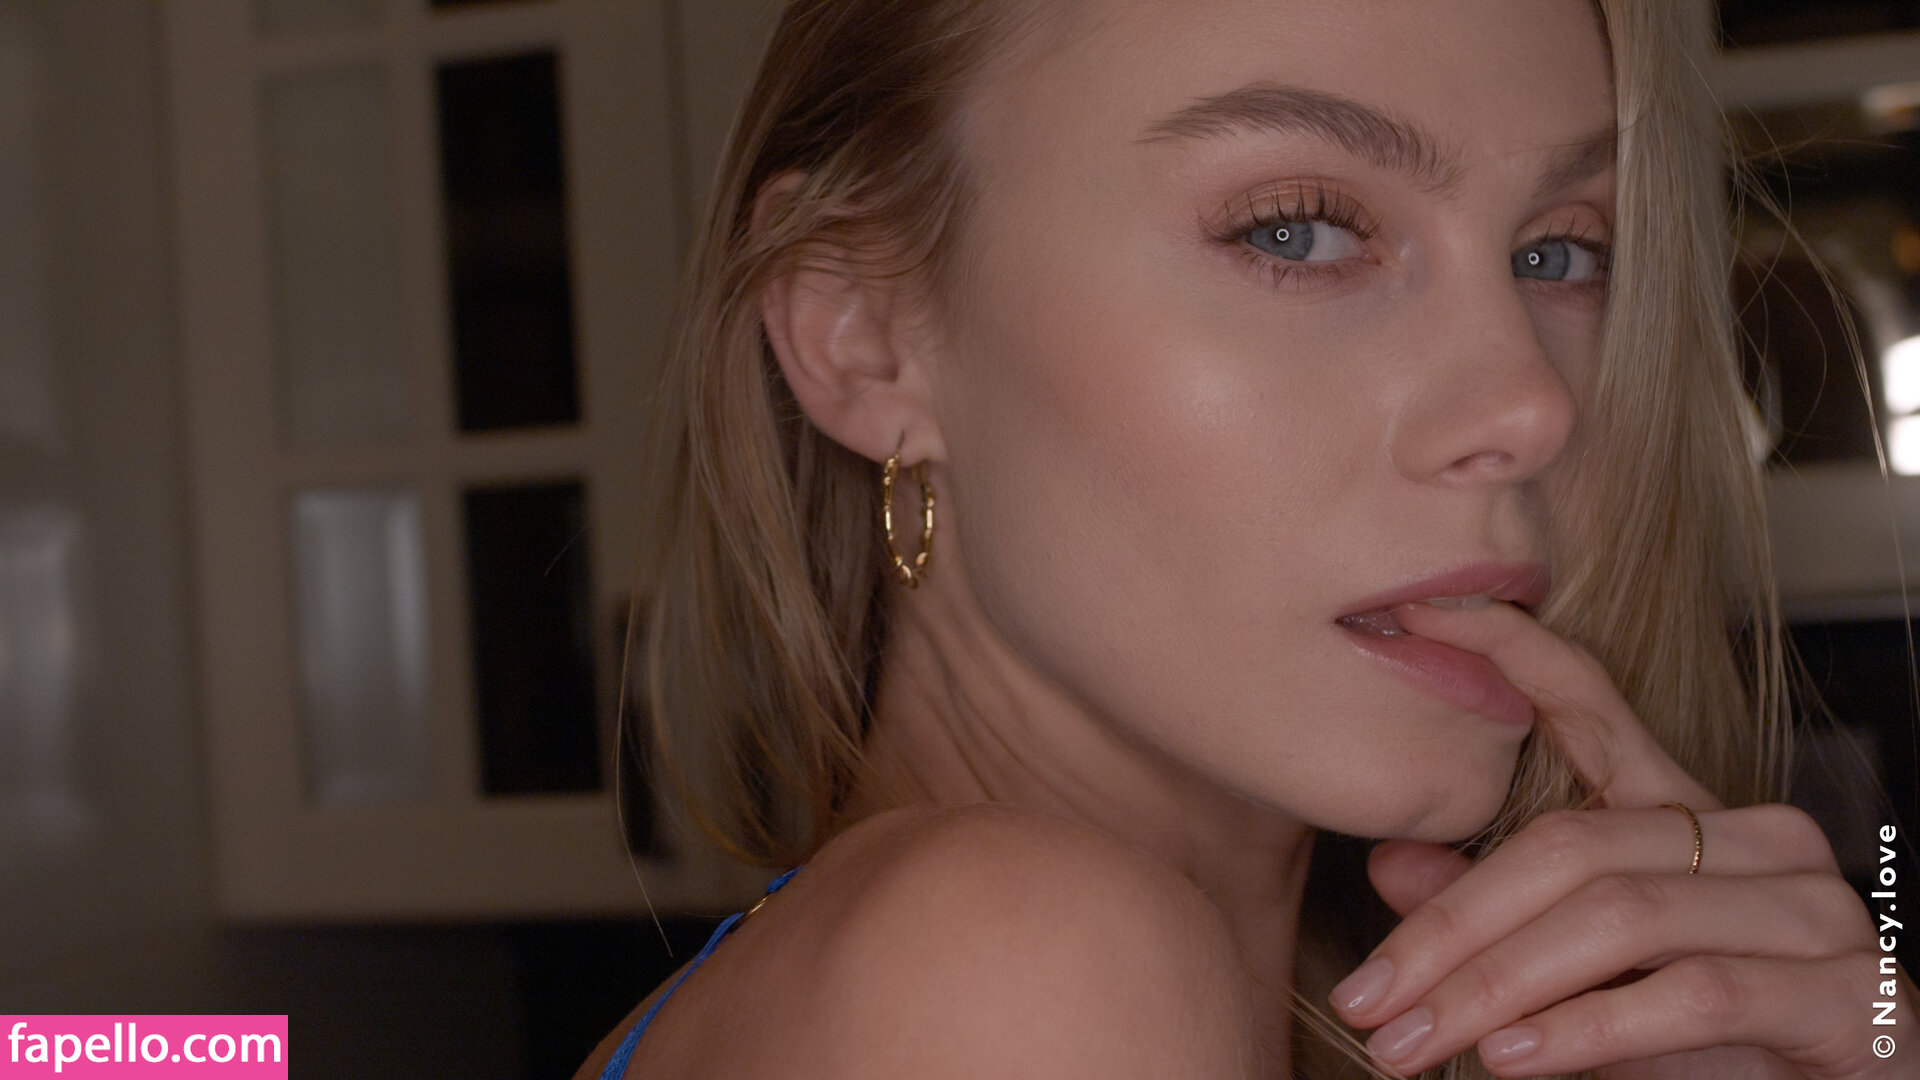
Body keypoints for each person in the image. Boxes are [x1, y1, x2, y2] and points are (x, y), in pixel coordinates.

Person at [576, 0, 1918, 1076]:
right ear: (859, 334)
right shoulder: (1014, 967)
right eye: (1299, 229)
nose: (1532, 405)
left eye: (1562, 253)